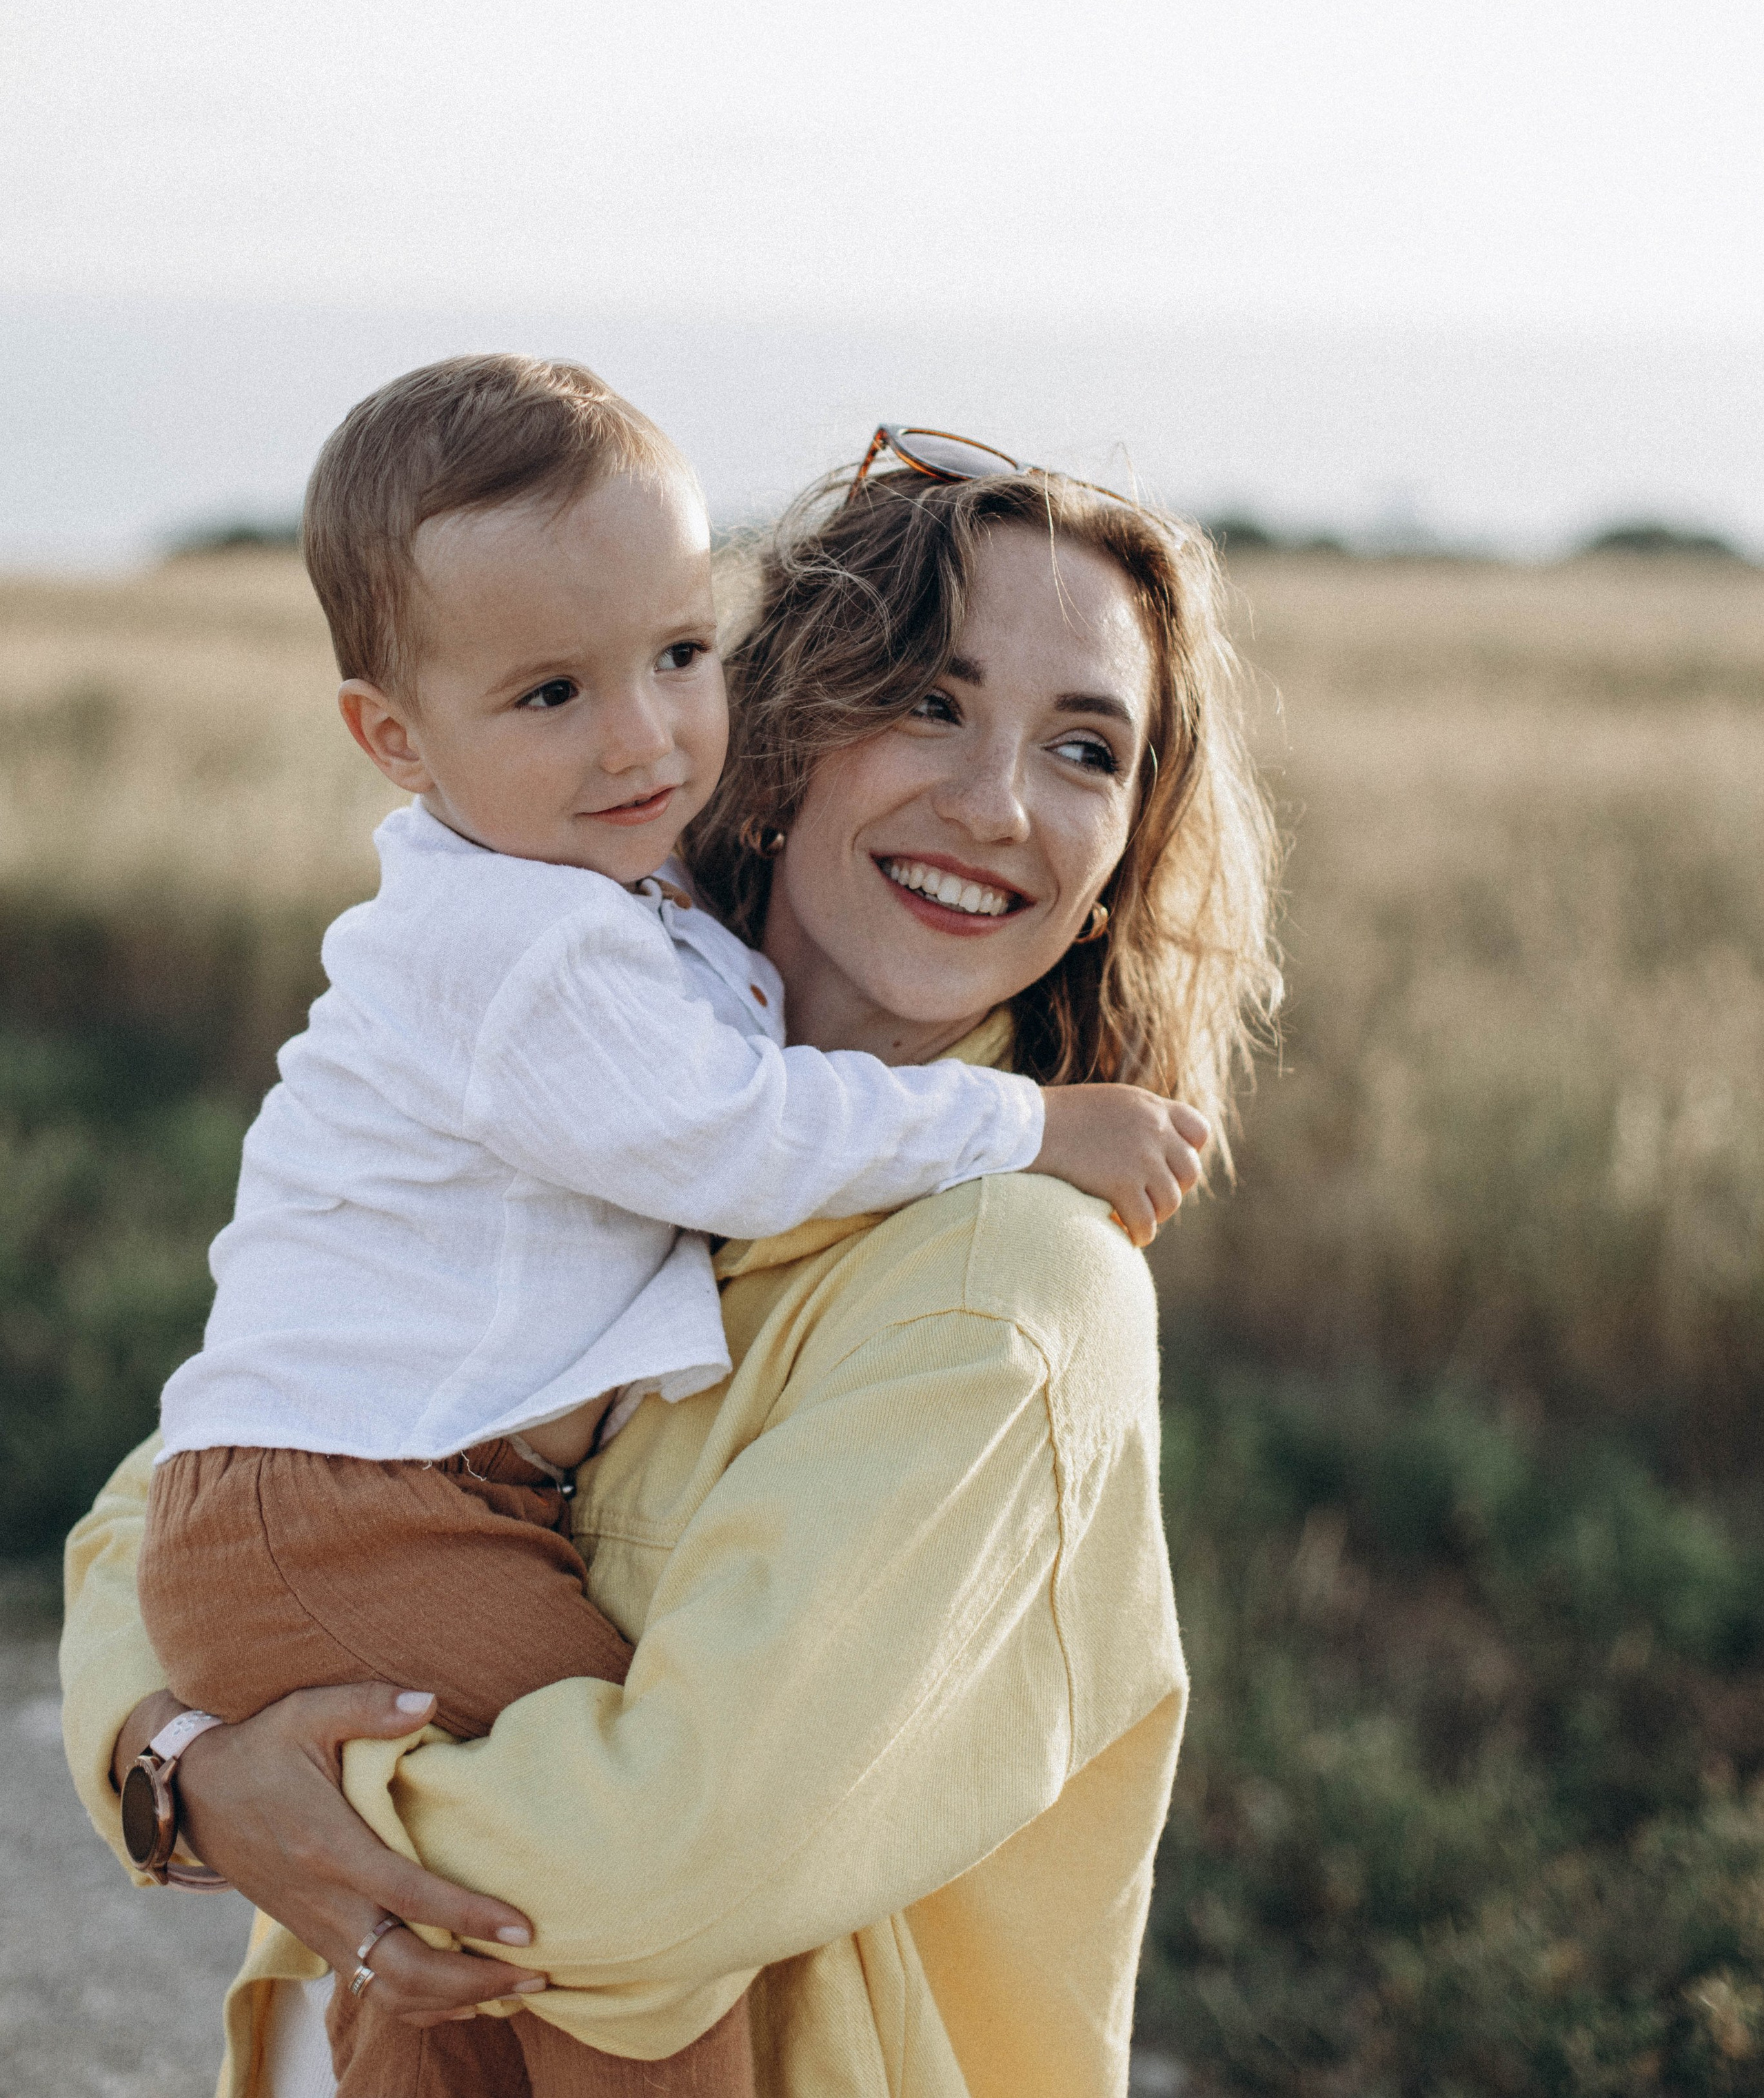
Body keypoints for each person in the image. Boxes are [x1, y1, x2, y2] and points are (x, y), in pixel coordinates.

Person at [62, 432, 1281, 2098]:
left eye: (1085, 748)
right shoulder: (608, 1075)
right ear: (781, 732)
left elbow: (646, 1863)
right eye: (928, 700)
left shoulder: (1002, 1283)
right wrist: (184, 1770)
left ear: (1114, 862)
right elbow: (170, 1495)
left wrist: (261, 1802)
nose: (997, 803)